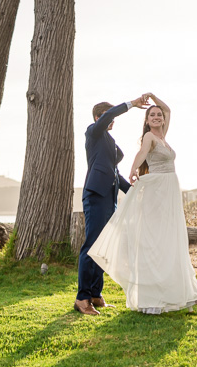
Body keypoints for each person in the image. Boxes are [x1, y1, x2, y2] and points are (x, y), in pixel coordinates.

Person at [88, 93, 197, 314]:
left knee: (172, 238)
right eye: (152, 115)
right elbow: (142, 153)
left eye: (158, 115)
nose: (157, 117)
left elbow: (168, 109)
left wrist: (154, 98)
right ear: (146, 121)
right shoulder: (149, 138)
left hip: (170, 191)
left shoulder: (164, 136)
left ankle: (188, 293)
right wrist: (133, 169)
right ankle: (152, 296)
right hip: (157, 189)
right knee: (156, 238)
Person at [74, 95, 148, 316]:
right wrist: (130, 105)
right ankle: (82, 298)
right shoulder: (93, 132)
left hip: (109, 198)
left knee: (103, 247)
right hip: (95, 196)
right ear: (99, 118)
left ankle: (96, 294)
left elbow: (114, 172)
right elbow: (108, 116)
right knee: (92, 245)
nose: (111, 122)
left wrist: (133, 190)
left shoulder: (108, 141)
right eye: (107, 118)